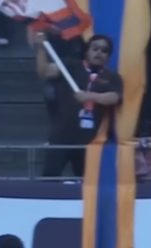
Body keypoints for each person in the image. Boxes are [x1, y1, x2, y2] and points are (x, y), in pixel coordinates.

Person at [32, 31, 122, 178]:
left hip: (89, 141)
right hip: (61, 136)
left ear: (108, 56)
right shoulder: (70, 66)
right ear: (87, 51)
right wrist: (41, 48)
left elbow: (114, 97)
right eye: (95, 48)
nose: (99, 53)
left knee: (85, 182)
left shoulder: (112, 77)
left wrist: (89, 96)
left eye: (104, 50)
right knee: (49, 178)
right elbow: (44, 72)